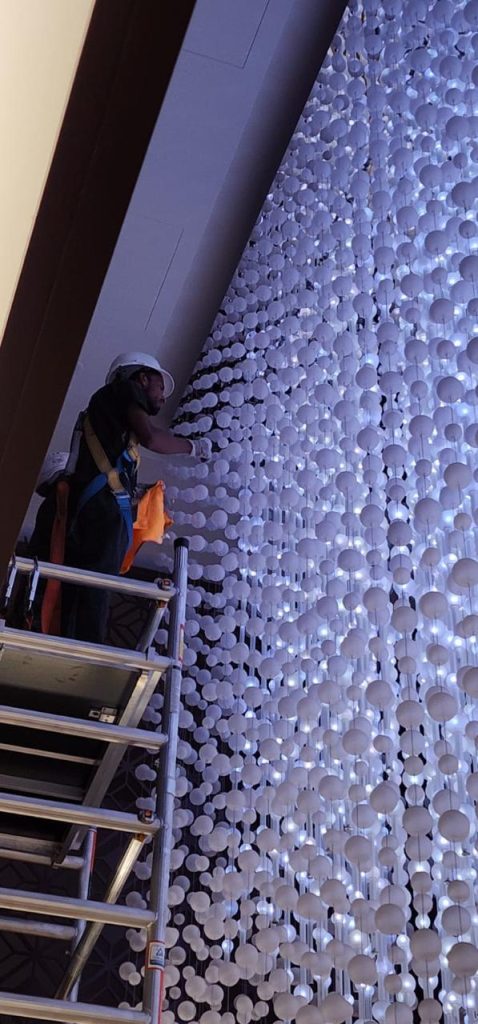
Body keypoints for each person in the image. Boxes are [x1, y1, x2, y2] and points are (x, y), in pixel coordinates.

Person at [29, 352, 210, 644]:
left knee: (85, 588)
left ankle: (75, 645)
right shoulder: (121, 391)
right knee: (97, 589)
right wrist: (193, 446)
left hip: (97, 511)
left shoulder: (108, 419)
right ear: (141, 379)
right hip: (101, 513)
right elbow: (151, 437)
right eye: (160, 387)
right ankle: (88, 655)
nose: (162, 398)